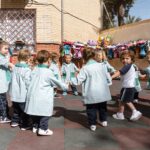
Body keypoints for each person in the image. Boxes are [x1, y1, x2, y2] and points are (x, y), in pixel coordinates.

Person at [25, 50, 68, 136]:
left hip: (33, 95)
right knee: (45, 113)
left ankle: (35, 126)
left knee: (35, 112)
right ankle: (43, 129)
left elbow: (27, 80)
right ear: (48, 60)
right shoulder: (48, 72)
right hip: (43, 96)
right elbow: (57, 82)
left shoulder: (34, 70)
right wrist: (65, 86)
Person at [71, 48, 111, 131]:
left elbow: (78, 80)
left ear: (84, 57)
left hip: (91, 92)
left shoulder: (85, 68)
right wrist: (108, 82)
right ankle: (104, 120)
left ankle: (93, 124)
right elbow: (108, 77)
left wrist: (71, 81)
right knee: (102, 107)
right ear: (94, 56)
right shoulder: (102, 65)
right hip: (102, 92)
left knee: (91, 109)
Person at [111, 50, 142, 121]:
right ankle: (120, 114)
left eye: (127, 58)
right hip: (128, 87)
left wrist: (111, 77)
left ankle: (135, 112)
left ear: (131, 59)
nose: (125, 60)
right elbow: (122, 73)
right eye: (123, 58)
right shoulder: (130, 66)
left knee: (127, 101)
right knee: (122, 101)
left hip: (128, 87)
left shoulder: (128, 66)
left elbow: (120, 72)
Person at [9, 49, 31, 130]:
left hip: (14, 93)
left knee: (16, 109)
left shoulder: (15, 67)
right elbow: (27, 82)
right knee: (24, 110)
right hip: (22, 94)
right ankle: (24, 124)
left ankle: (14, 121)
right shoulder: (27, 70)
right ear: (27, 59)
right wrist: (30, 90)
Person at [0, 41, 14, 123]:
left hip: (3, 82)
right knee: (2, 100)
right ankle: (3, 117)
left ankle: (5, 115)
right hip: (1, 84)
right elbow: (8, 64)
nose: (7, 50)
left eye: (8, 49)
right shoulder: (1, 58)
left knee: (3, 99)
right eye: (5, 48)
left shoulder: (4, 56)